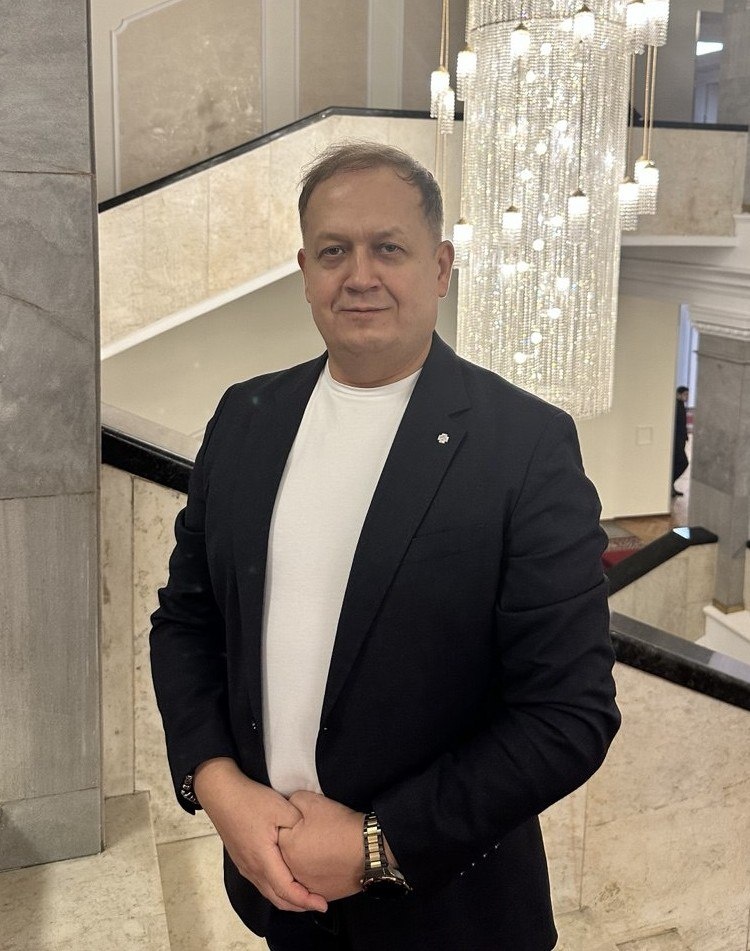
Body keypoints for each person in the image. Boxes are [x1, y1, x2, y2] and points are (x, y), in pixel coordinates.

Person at [150, 142, 621, 951]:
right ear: (306, 271)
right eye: (334, 251)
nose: (359, 275)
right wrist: (216, 782)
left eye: (389, 248)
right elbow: (186, 623)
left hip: (451, 915)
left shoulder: (525, 444)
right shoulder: (247, 417)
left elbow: (568, 715)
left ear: (440, 268)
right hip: (279, 891)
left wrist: (378, 842)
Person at [672, 386, 689, 498]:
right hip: (677, 440)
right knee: (683, 462)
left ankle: (670, 485)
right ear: (678, 394)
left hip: (680, 440)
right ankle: (670, 482)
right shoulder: (677, 406)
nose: (687, 397)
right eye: (685, 394)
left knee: (678, 463)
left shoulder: (681, 405)